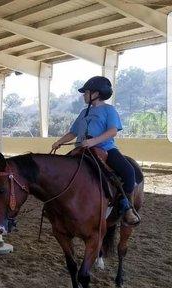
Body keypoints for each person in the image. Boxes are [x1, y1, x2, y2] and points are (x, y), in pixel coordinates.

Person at [52, 76, 140, 226]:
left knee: (129, 172)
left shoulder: (109, 110)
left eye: (86, 92)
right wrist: (59, 142)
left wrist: (93, 141)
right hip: (81, 150)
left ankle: (127, 207)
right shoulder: (83, 113)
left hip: (106, 149)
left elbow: (112, 131)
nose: (84, 95)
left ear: (97, 94)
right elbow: (73, 133)